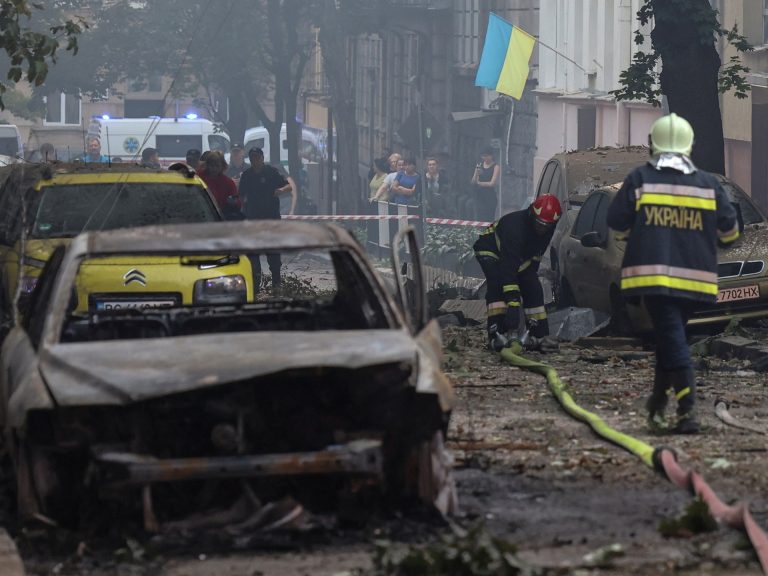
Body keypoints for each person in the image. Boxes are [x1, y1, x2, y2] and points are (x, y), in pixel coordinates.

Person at [607, 113, 740, 434]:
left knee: (672, 341)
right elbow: (731, 233)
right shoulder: (709, 184)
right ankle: (657, 403)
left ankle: (687, 409)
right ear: (689, 146)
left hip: (653, 279)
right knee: (672, 337)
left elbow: (617, 223)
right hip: (696, 280)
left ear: (653, 145)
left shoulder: (640, 179)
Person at [473, 194, 562, 353]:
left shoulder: (548, 226)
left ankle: (539, 335)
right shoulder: (516, 228)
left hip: (518, 256)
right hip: (491, 248)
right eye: (539, 223)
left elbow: (535, 256)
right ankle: (496, 334)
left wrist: (528, 282)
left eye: (547, 225)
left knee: (533, 287)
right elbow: (508, 268)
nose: (542, 228)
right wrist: (513, 303)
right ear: (532, 214)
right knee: (497, 283)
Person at [239, 147, 291, 289]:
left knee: (273, 252)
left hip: (271, 218)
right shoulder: (247, 175)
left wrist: (280, 190)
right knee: (253, 254)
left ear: (262, 158)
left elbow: (289, 186)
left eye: (257, 157)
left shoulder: (272, 172)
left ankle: (276, 283)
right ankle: (256, 284)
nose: (255, 160)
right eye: (252, 157)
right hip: (253, 219)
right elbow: (241, 195)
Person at [197, 150, 241, 215]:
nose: (214, 169)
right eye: (212, 165)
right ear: (207, 165)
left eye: (217, 166)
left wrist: (234, 203)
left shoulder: (228, 183)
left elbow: (238, 204)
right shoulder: (198, 178)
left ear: (222, 166)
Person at [471, 147, 500, 221]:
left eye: (486, 156)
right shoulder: (479, 165)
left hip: (489, 197)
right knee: (478, 218)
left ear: (491, 156)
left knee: (488, 218)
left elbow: (492, 183)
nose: (484, 158)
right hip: (479, 196)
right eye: (483, 156)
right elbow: (473, 182)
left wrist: (480, 183)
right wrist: (476, 173)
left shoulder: (496, 166)